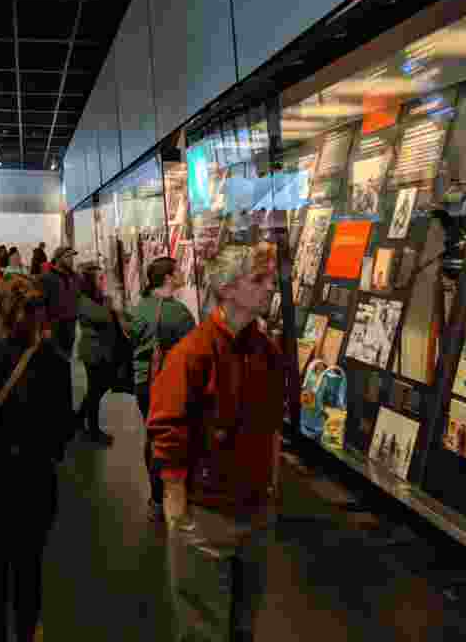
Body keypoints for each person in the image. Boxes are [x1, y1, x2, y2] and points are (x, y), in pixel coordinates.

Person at [148, 242, 284, 642]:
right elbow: (166, 423)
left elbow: (271, 424)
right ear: (227, 289)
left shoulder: (267, 352)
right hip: (205, 513)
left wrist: (271, 487)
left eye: (269, 279)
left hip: (255, 511)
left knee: (244, 626)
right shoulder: (194, 352)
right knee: (202, 628)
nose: (269, 287)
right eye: (258, 280)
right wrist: (176, 501)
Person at [0, 275, 73, 642]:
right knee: (29, 571)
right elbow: (61, 433)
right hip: (35, 484)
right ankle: (27, 631)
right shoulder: (54, 361)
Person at [127, 257, 196, 522]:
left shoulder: (139, 307)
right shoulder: (178, 313)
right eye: (178, 270)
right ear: (168, 278)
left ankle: (156, 496)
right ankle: (171, 496)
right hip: (169, 387)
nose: (182, 273)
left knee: (153, 437)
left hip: (143, 384)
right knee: (171, 442)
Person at [76, 263, 119, 446]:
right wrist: (109, 304)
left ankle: (79, 419)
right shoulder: (84, 300)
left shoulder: (96, 298)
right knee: (95, 391)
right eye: (100, 278)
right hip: (93, 353)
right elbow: (103, 316)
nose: (104, 281)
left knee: (98, 389)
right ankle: (92, 432)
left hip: (100, 352)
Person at [40, 246, 78, 357]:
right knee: (55, 359)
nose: (71, 260)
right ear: (58, 259)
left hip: (71, 324)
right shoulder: (47, 278)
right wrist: (46, 327)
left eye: (72, 257)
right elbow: (42, 305)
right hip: (54, 326)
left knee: (68, 359)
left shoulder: (74, 277)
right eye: (67, 257)